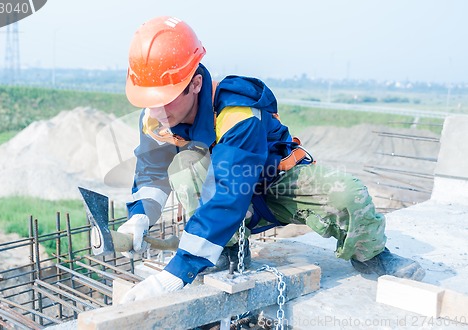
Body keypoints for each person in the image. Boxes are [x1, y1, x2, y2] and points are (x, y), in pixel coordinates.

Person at [117, 16, 425, 303]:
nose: (155, 110)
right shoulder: (156, 118)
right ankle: (228, 250)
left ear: (195, 84)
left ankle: (369, 254)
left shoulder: (237, 115)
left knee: (349, 195)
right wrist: (138, 218)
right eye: (148, 100)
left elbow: (228, 194)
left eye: (164, 98)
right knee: (185, 168)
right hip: (228, 193)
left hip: (274, 182)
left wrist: (176, 273)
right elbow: (152, 173)